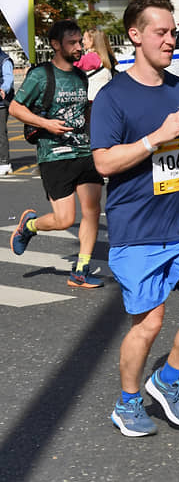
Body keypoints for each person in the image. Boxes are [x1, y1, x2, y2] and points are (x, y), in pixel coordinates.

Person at [89, 0, 179, 437]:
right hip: (137, 231)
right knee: (148, 324)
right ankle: (127, 403)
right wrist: (154, 138)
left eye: (173, 32)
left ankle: (167, 380)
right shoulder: (112, 97)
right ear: (135, 35)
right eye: (161, 32)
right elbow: (104, 164)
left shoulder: (178, 87)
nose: (171, 40)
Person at [9, 19, 105, 288]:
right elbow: (16, 108)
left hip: (84, 150)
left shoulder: (79, 75)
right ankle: (29, 226)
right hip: (54, 155)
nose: (79, 47)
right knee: (65, 220)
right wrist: (46, 124)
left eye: (79, 42)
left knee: (92, 210)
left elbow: (81, 112)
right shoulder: (41, 75)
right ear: (55, 44)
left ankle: (81, 270)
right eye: (72, 43)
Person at [75, 28, 118, 101]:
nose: (82, 42)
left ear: (92, 41)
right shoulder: (104, 56)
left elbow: (76, 63)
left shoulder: (93, 57)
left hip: (94, 99)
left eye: (85, 39)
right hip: (104, 97)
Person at [0, 46, 14, 175]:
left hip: (1, 103)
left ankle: (5, 162)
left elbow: (8, 79)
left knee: (0, 133)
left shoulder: (4, 60)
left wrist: (3, 89)